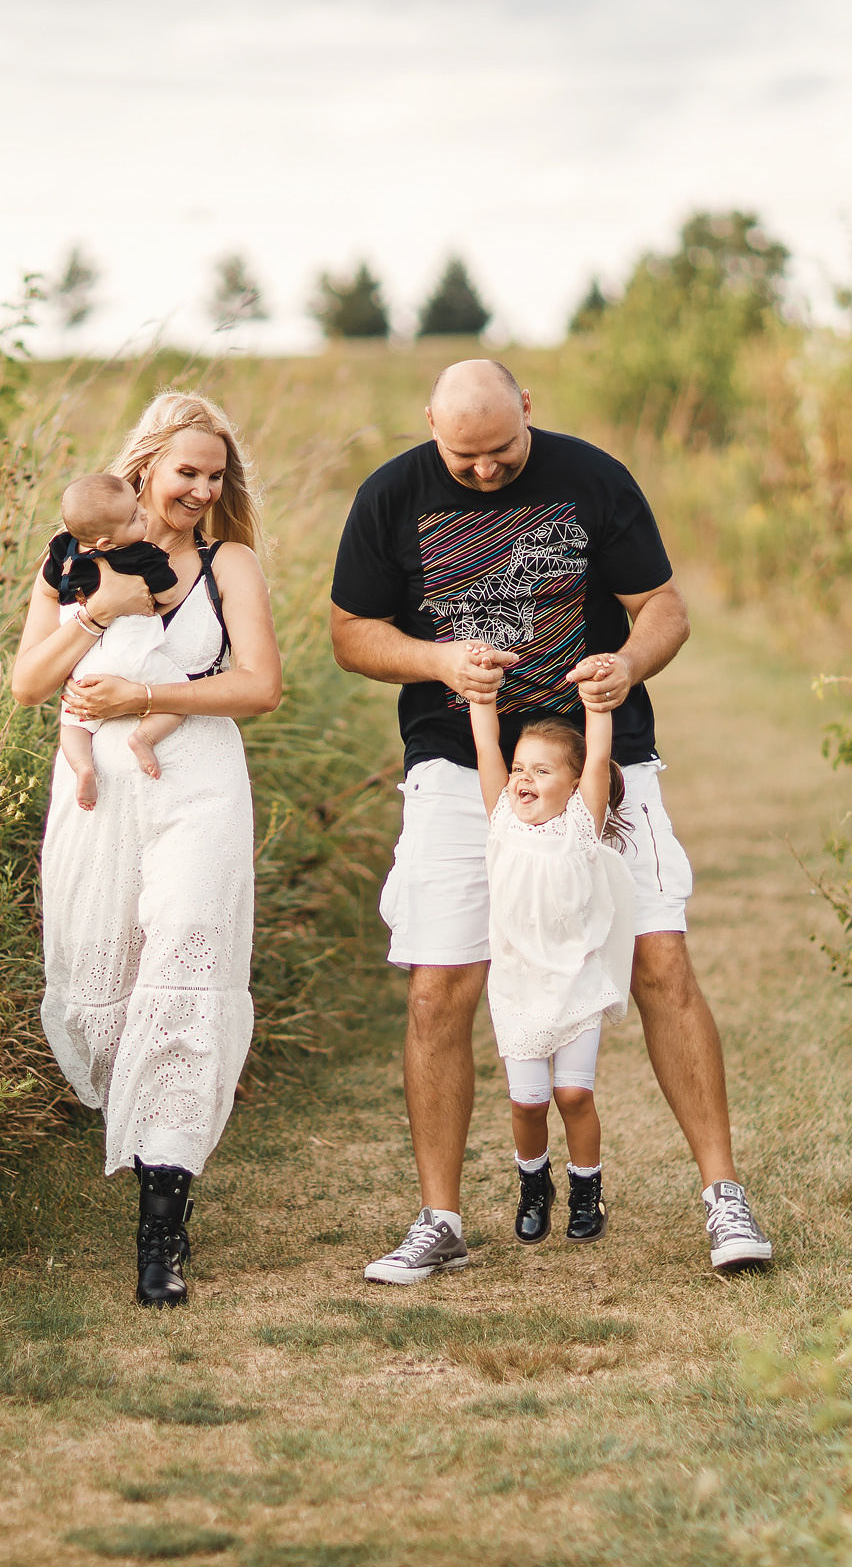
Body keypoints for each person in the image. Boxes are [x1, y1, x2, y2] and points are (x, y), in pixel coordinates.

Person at [329, 358, 775, 1282]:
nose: (487, 470)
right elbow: (350, 632)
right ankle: (441, 1220)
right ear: (431, 426)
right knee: (437, 984)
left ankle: (725, 1201)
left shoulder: (594, 479)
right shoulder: (390, 497)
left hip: (601, 761)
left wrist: (629, 664)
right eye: (466, 456)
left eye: (502, 450)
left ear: (528, 411)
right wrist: (438, 660)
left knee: (661, 958)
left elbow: (663, 609)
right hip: (458, 769)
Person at [10, 392, 282, 1308]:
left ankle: (161, 1232)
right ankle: (140, 1152)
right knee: (108, 984)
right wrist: (99, 613)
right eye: (187, 472)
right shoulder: (73, 558)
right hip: (99, 794)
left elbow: (261, 684)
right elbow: (26, 682)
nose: (202, 489)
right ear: (146, 469)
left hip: (197, 783)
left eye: (216, 476)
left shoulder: (227, 563)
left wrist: (145, 703)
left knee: (183, 965)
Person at [464, 694, 637, 1259]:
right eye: (519, 770)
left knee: (573, 1094)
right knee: (528, 1103)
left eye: (541, 771)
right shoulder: (500, 824)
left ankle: (588, 1192)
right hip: (517, 990)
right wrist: (480, 699)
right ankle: (533, 1185)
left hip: (576, 985)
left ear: (573, 782)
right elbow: (486, 745)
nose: (522, 780)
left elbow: (599, 753)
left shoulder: (579, 828)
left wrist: (598, 704)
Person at [44, 471, 185, 811]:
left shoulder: (64, 551)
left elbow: (51, 584)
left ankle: (82, 765)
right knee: (180, 691)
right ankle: (144, 737)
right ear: (106, 543)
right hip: (130, 655)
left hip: (83, 661)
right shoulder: (141, 554)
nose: (145, 515)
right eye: (135, 517)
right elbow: (169, 593)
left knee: (73, 722)